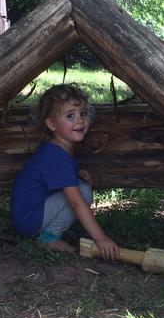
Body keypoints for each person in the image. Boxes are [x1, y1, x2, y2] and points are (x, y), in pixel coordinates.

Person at [10, 83, 120, 259]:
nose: (80, 120)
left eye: (83, 114)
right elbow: (76, 203)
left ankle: (47, 235)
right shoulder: (57, 156)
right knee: (81, 193)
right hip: (29, 218)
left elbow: (51, 176)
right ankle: (49, 239)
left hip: (28, 215)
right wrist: (101, 239)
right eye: (70, 115)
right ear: (51, 124)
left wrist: (75, 174)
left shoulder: (56, 148)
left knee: (80, 186)